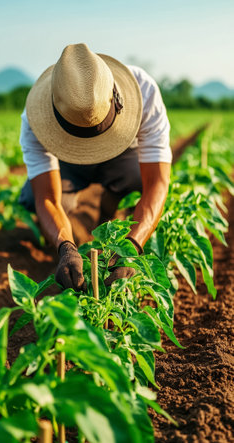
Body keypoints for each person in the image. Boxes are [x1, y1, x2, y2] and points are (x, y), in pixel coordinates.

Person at [19, 43, 172, 291]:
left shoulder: (145, 92)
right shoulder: (34, 121)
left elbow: (157, 182)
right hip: (67, 164)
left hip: (123, 158)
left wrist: (132, 247)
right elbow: (46, 197)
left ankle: (110, 210)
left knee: (138, 182)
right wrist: (65, 247)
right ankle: (65, 234)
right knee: (33, 197)